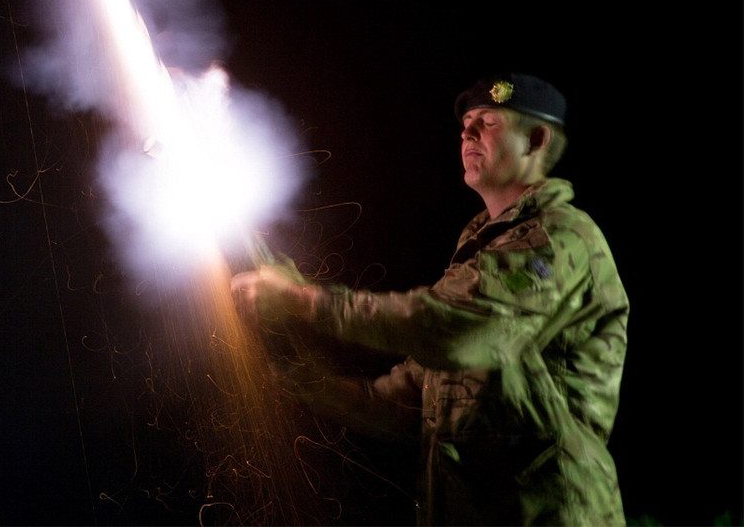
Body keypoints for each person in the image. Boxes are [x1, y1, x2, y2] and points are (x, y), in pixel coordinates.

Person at [230, 73, 630, 526]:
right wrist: (304, 378)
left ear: (536, 139)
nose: (468, 132)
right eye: (466, 123)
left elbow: (458, 330)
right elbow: (406, 405)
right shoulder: (480, 258)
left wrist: (304, 301)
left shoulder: (562, 237)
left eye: (489, 121)